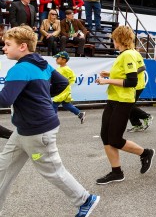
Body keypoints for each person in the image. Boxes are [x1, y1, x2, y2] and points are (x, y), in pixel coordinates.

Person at [0, 25, 99, 216]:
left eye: (7, 44)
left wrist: (41, 98)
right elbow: (62, 82)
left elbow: (5, 99)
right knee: (3, 167)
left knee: (53, 170)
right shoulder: (41, 63)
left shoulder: (20, 69)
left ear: (22, 47)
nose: (4, 48)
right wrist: (43, 97)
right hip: (25, 130)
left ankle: (85, 199)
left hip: (37, 131)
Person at [95, 25, 155, 184]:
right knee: (105, 136)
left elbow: (131, 81)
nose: (112, 41)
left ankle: (145, 153)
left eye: (114, 39)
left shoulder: (127, 55)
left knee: (114, 139)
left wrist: (106, 80)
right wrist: (109, 74)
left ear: (119, 39)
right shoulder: (130, 53)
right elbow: (130, 74)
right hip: (114, 98)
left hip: (123, 100)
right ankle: (116, 172)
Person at [52, 51, 87, 123]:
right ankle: (80, 114)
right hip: (61, 90)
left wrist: (65, 85)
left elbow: (73, 78)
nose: (56, 59)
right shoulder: (59, 68)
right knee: (66, 105)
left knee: (54, 104)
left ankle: (52, 121)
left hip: (63, 91)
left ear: (64, 60)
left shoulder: (66, 69)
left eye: (58, 58)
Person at [126, 49, 153, 132]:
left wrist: (131, 73)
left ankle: (146, 116)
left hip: (137, 85)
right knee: (128, 105)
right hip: (130, 84)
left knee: (128, 105)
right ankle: (137, 124)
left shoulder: (134, 53)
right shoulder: (124, 53)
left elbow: (143, 67)